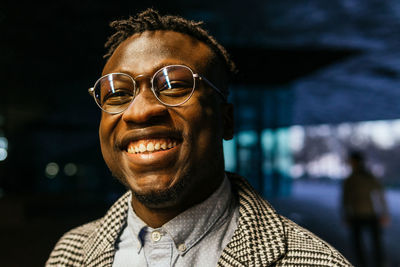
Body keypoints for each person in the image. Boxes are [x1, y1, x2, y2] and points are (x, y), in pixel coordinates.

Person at [47, 9, 352, 266]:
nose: (139, 112)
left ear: (226, 120)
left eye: (173, 86)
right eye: (116, 93)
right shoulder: (67, 255)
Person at [342, 151, 390, 267]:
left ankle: (378, 262)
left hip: (369, 214)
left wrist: (384, 213)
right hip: (359, 215)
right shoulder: (351, 179)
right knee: (361, 244)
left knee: (374, 243)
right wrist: (346, 214)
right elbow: (345, 199)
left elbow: (380, 196)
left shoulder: (364, 178)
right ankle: (368, 263)